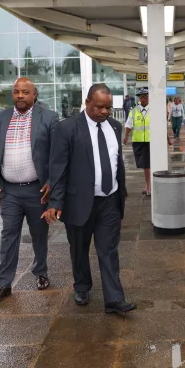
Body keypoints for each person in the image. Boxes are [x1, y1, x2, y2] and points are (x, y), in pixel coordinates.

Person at [43, 84, 136, 316]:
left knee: (109, 249)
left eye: (108, 107)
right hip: (79, 202)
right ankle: (82, 286)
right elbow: (58, 168)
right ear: (87, 103)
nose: (105, 112)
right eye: (99, 107)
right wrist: (55, 202)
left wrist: (121, 190)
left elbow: (116, 162)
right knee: (79, 249)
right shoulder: (67, 128)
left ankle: (114, 299)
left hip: (109, 201)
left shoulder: (114, 126)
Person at [0, 77, 59, 301]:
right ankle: (4, 283)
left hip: (37, 190)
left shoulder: (49, 117)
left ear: (34, 94)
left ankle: (41, 271)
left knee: (39, 235)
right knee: (8, 235)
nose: (20, 96)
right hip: (9, 191)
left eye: (25, 92)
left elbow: (57, 154)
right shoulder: (1, 117)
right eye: (16, 91)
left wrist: (51, 181)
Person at [124, 88, 152, 196]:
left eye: (146, 96)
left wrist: (168, 139)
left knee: (148, 165)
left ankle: (149, 187)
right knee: (145, 165)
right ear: (139, 98)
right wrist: (126, 136)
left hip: (151, 141)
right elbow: (128, 125)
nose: (144, 99)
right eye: (142, 97)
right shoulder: (134, 111)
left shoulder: (154, 110)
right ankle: (148, 186)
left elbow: (161, 125)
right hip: (139, 141)